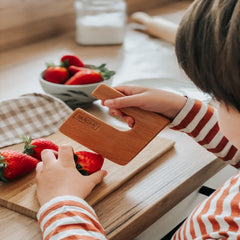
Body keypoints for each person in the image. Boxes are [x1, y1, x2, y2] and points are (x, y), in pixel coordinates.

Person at [36, 0, 240, 239]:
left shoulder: (228, 228)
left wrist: (61, 203)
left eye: (219, 98)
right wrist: (179, 110)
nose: (215, 104)